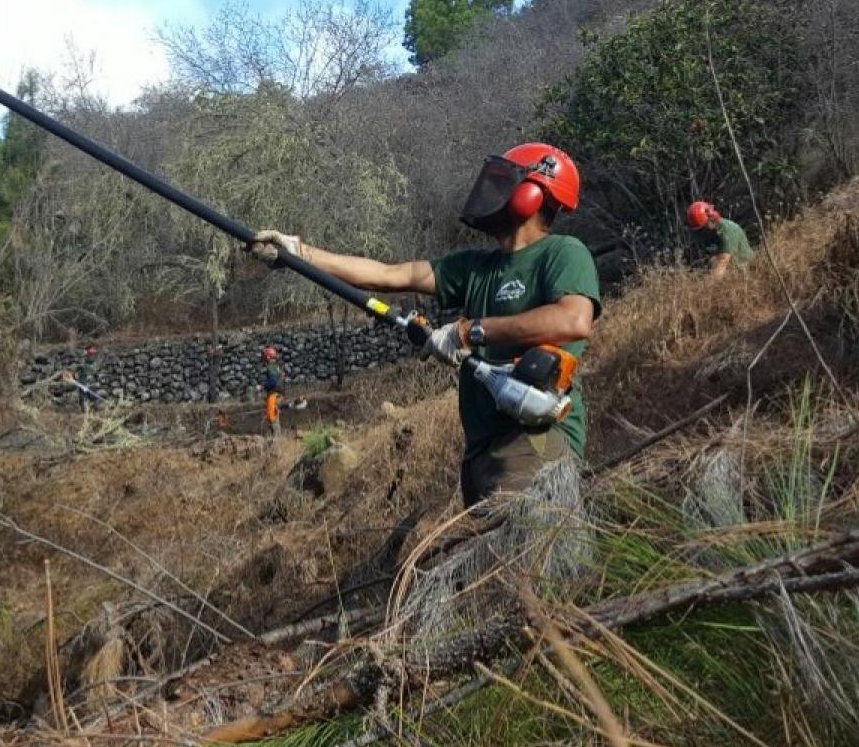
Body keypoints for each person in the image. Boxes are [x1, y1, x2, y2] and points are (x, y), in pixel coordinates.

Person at [249, 143, 601, 509]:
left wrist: (468, 332)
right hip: (482, 450)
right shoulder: (476, 267)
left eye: (502, 182)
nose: (491, 192)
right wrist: (298, 253)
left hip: (534, 441)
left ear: (532, 194)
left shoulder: (563, 252)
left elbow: (573, 319)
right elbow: (389, 275)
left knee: (526, 542)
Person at [687, 200, 754, 278]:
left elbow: (722, 262)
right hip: (723, 273)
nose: (701, 232)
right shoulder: (707, 233)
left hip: (743, 273)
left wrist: (709, 284)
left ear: (711, 218)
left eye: (703, 227)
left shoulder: (728, 229)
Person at [260, 346, 286, 437]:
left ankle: (276, 438)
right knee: (275, 415)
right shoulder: (277, 367)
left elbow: (273, 382)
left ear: (268, 357)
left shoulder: (271, 367)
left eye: (264, 356)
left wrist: (263, 386)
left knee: (271, 416)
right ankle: (276, 437)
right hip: (279, 394)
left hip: (273, 394)